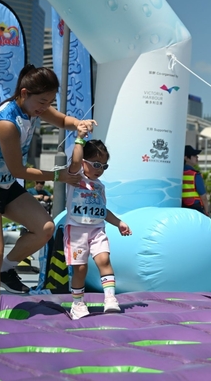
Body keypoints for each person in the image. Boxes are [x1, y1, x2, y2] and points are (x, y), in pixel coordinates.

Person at [0, 64, 95, 318]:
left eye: (50, 102)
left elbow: (62, 120)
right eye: (42, 102)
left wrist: (80, 124)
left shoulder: (34, 107)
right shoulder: (6, 123)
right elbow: (19, 170)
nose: (45, 107)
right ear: (24, 93)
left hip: (5, 182)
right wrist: (59, 176)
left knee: (45, 228)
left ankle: (6, 270)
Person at [64, 124, 132, 320]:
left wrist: (119, 222)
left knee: (104, 260)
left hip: (96, 229)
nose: (100, 169)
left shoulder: (99, 186)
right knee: (80, 268)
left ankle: (110, 298)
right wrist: (79, 138)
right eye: (96, 164)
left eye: (104, 166)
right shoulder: (75, 177)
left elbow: (103, 210)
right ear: (84, 162)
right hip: (76, 229)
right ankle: (78, 303)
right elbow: (75, 161)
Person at [181, 145, 209, 215]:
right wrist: (207, 211)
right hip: (195, 207)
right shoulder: (195, 174)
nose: (197, 157)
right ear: (186, 158)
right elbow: (203, 197)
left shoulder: (177, 173)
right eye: (194, 155)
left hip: (181, 208)